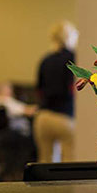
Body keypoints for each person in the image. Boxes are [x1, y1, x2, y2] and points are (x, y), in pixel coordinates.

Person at [34, 20, 78, 163]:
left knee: (46, 164)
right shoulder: (73, 58)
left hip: (43, 117)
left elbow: (39, 90)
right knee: (69, 164)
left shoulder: (45, 60)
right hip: (65, 118)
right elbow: (74, 88)